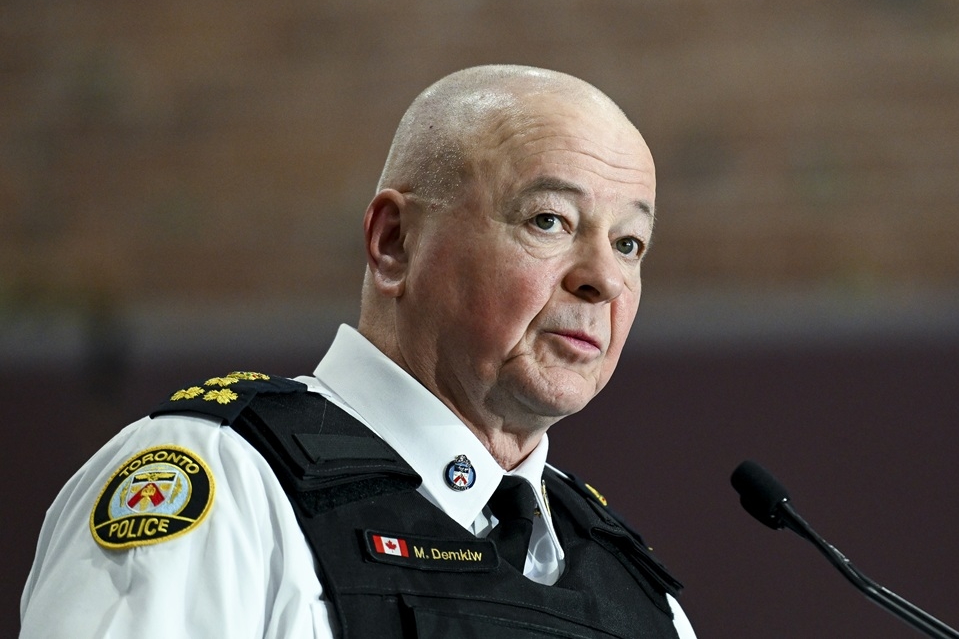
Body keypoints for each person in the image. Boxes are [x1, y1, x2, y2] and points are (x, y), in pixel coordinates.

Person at [20, 64, 697, 638]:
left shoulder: (641, 595)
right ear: (394, 243)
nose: (603, 278)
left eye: (629, 244)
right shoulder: (225, 485)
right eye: (548, 220)